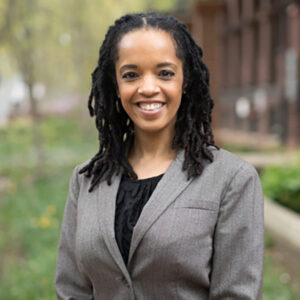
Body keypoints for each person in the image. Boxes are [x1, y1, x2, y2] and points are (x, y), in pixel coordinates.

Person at [55, 12, 264, 300]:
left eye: (165, 73)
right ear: (115, 85)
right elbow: (71, 291)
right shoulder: (86, 181)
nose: (149, 88)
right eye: (131, 75)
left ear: (185, 80)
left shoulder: (232, 180)